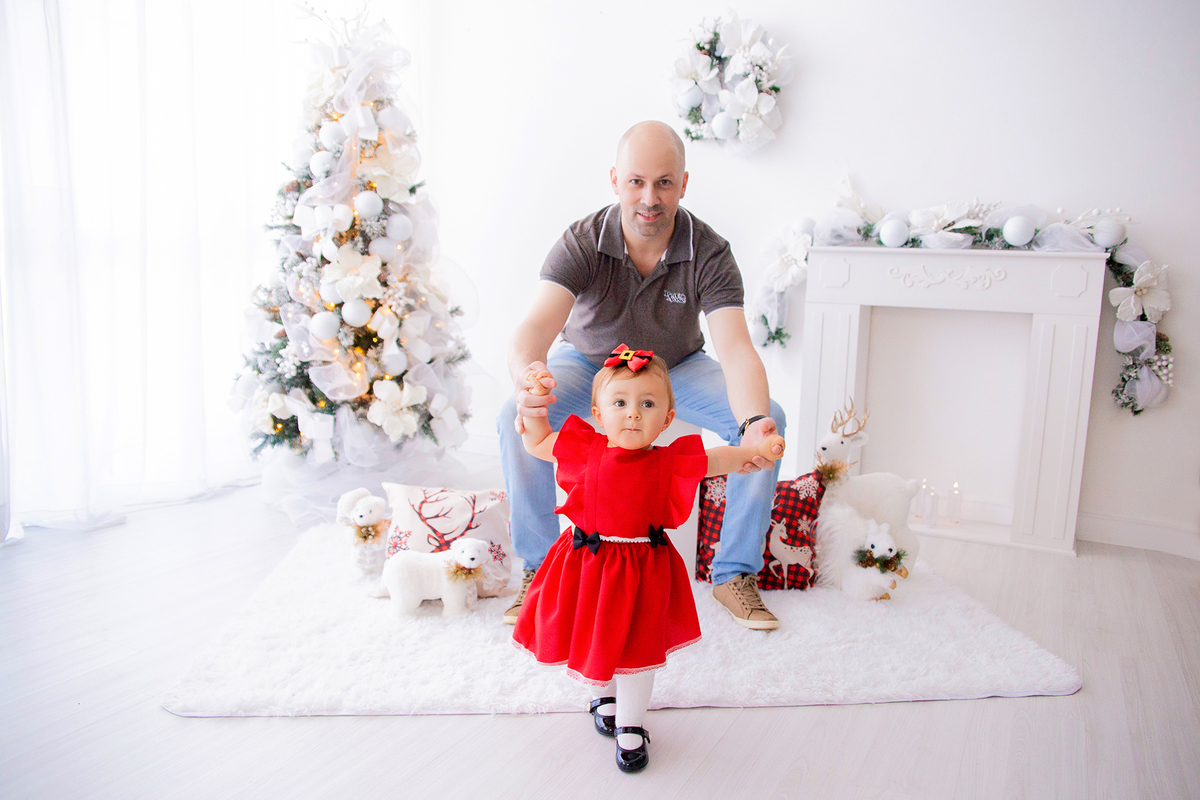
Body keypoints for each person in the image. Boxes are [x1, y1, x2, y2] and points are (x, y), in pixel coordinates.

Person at [498, 119, 787, 631]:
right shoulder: (583, 240)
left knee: (770, 419)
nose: (649, 198)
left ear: (683, 184)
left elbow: (737, 349)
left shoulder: (710, 251)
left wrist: (753, 422)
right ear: (615, 180)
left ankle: (734, 575)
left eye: (664, 183)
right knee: (511, 415)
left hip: (675, 368)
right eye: (636, 182)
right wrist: (528, 375)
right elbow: (535, 326)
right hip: (589, 364)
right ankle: (540, 570)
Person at [511, 350, 784, 772]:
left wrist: (756, 450)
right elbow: (537, 442)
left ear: (668, 418)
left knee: (638, 646)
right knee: (594, 634)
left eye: (648, 403)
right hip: (589, 564)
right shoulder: (585, 450)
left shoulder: (668, 462)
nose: (633, 413)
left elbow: (718, 459)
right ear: (598, 415)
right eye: (620, 402)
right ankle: (602, 696)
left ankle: (632, 723)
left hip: (642, 570)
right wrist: (531, 411)